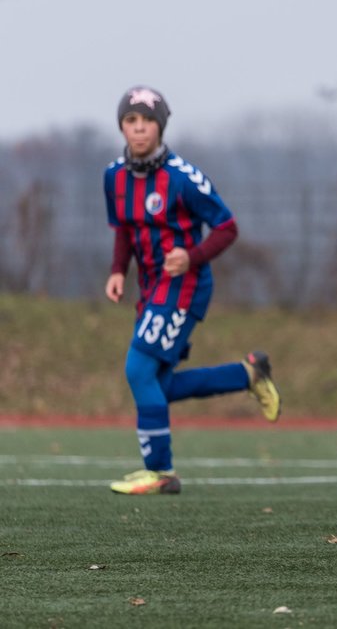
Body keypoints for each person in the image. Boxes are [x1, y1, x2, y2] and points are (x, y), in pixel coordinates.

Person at [103, 85, 280, 495]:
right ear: (122, 127)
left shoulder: (184, 179)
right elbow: (124, 231)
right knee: (157, 386)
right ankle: (247, 374)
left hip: (185, 287)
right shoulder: (113, 176)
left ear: (161, 126)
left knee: (138, 369)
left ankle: (160, 472)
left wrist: (192, 256)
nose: (139, 128)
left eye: (147, 121)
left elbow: (227, 228)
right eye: (131, 121)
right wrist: (117, 271)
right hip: (151, 290)